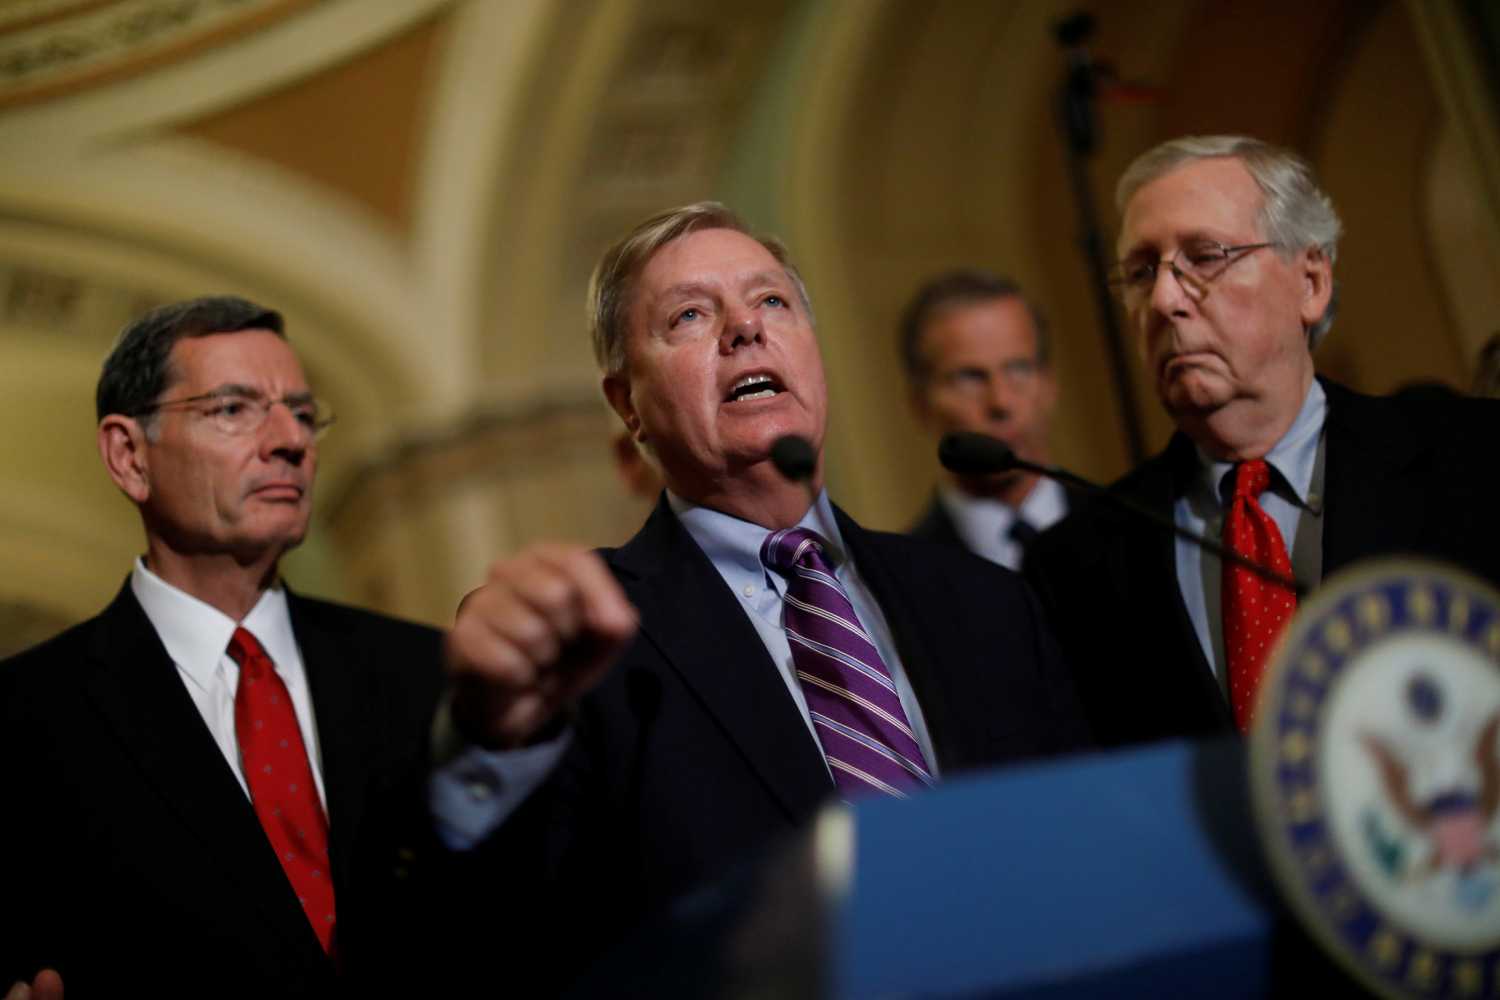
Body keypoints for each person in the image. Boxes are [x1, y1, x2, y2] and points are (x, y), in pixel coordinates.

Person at [436, 203, 1089, 988]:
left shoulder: (987, 604)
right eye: (688, 316)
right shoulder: (585, 645)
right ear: (626, 405)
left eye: (771, 301)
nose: (745, 329)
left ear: (814, 353)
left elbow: (1087, 859)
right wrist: (489, 741)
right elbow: (505, 935)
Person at [0, 297, 444, 997]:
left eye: (302, 413)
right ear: (129, 456)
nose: (289, 440)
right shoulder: (21, 718)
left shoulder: (430, 673)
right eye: (234, 409)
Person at [1025, 135, 1500, 748]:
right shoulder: (1075, 566)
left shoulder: (1475, 460)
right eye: (1142, 271)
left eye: (1206, 256)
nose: (1166, 300)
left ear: (1311, 283)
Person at [899, 270, 1071, 568]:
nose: (1000, 402)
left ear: (1049, 384)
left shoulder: (1132, 530)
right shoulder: (906, 578)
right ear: (920, 404)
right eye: (970, 378)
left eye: (1019, 369)